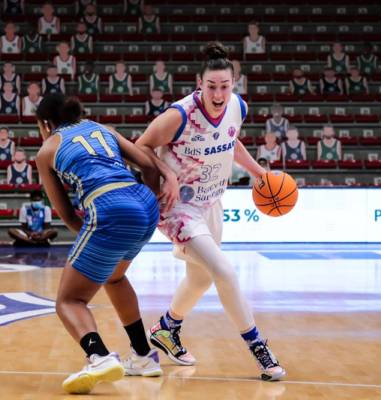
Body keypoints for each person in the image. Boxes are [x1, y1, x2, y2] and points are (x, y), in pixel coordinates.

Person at [135, 42, 285, 381]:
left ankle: (167, 329)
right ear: (199, 84)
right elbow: (140, 146)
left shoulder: (238, 107)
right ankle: (259, 348)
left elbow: (230, 141)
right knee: (224, 271)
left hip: (212, 200)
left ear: (234, 84)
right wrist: (167, 173)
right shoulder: (180, 115)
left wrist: (260, 173)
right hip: (178, 207)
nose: (218, 94)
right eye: (211, 86)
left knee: (201, 278)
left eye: (225, 86)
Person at [34, 93, 178, 394]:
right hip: (143, 205)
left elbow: (66, 214)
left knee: (69, 300)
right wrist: (149, 200)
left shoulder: (47, 150)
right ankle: (143, 356)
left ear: (46, 124)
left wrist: (96, 234)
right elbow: (148, 165)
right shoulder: (102, 128)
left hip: (108, 207)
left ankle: (98, 356)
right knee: (114, 277)